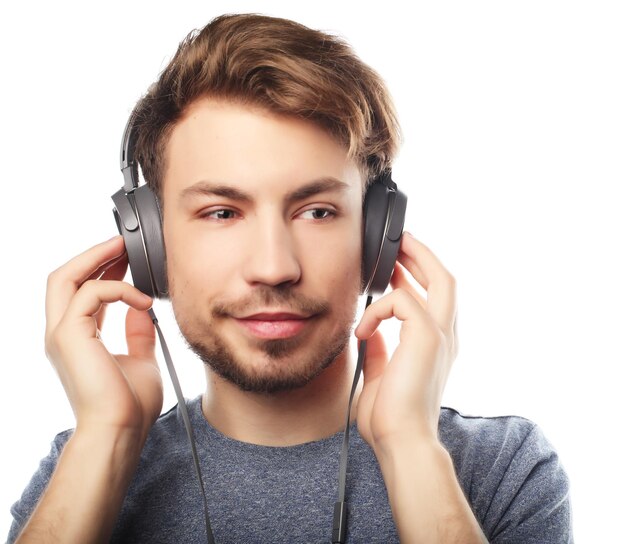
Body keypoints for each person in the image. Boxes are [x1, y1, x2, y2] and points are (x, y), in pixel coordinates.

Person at [7, 13, 572, 543]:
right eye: (222, 213)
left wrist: (410, 447)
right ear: (149, 246)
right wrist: (106, 438)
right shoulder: (82, 472)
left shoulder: (502, 470)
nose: (274, 267)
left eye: (318, 211)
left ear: (378, 237)